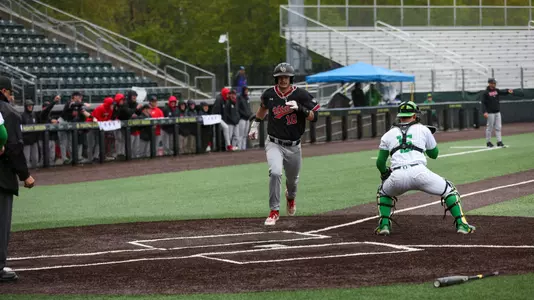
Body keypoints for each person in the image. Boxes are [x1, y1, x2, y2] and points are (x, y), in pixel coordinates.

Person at [374, 101, 476, 236]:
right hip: (420, 173)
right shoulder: (423, 129)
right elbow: (434, 155)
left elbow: (380, 163)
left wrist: (385, 173)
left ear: (400, 116)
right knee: (449, 190)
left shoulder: (387, 135)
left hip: (397, 175)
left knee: (383, 193)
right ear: (415, 116)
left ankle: (384, 226)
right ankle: (462, 225)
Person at [248, 62, 320, 226]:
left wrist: (300, 109)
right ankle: (274, 211)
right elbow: (262, 109)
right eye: (280, 77)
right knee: (275, 173)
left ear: (291, 78)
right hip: (274, 142)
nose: (283, 80)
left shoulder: (301, 95)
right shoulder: (269, 94)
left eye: (286, 77)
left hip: (294, 145)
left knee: (293, 181)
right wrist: (255, 125)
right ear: (276, 79)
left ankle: (291, 197)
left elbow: (315, 117)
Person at [0, 76, 35, 282]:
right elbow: (13, 147)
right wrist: (25, 175)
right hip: (2, 176)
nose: (12, 97)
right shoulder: (7, 111)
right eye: (11, 93)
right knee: (1, 222)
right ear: (4, 91)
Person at [482, 78, 513, 148]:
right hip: (490, 113)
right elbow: (483, 103)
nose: (494, 84)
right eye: (493, 83)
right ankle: (488, 142)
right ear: (489, 83)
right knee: (489, 127)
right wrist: (484, 112)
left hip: (497, 112)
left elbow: (503, 92)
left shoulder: (496, 90)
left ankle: (499, 141)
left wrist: (508, 91)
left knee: (498, 127)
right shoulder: (485, 92)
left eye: (495, 83)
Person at [20, 100, 39, 169]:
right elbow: (20, 127)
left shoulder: (34, 114)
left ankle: (35, 168)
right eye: (29, 106)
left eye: (31, 106)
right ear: (26, 106)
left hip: (34, 139)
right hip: (26, 140)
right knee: (26, 157)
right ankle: (26, 170)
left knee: (35, 157)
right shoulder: (22, 115)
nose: (30, 107)